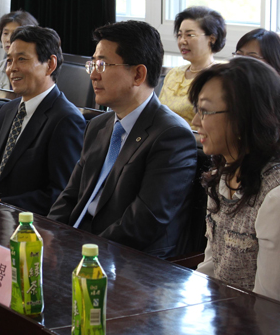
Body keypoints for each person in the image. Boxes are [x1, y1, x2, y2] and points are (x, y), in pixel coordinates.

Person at [47, 21, 197, 259]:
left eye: (103, 65)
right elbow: (70, 196)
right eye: (93, 64)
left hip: (127, 261)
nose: (93, 75)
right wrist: (49, 235)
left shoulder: (171, 136)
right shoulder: (98, 125)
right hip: (79, 244)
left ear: (138, 74)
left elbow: (142, 223)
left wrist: (82, 253)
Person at [192, 57, 280, 313]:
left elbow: (271, 309)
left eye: (205, 111)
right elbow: (212, 267)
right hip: (231, 320)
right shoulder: (223, 175)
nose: (195, 121)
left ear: (243, 118)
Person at [0, 26, 86, 215]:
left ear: (50, 65)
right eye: (9, 60)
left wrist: (4, 206)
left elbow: (61, 193)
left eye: (22, 59)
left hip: (19, 222)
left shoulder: (66, 120)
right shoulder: (6, 110)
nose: (12, 68)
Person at [159, 6, 226, 129]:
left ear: (212, 39)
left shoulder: (217, 78)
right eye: (179, 35)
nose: (182, 41)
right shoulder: (174, 74)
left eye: (189, 35)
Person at [234, 28, 280, 127]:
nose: (242, 62)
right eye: (239, 55)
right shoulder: (230, 89)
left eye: (252, 57)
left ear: (271, 62)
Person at [0, 10, 39, 90]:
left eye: (15, 33)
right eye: (5, 33)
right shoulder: (0, 66)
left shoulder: (36, 66)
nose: (8, 39)